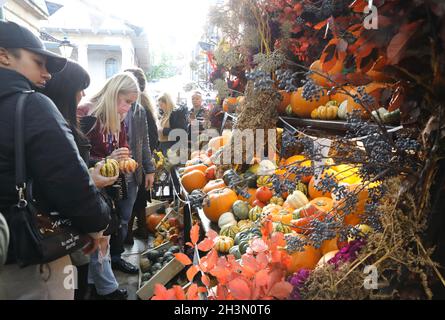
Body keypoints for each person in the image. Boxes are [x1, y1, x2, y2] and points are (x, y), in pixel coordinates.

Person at [0, 21, 110, 300]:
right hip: (29, 254)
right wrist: (97, 223)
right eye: (38, 62)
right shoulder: (31, 104)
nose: (47, 73)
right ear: (4, 55)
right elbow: (70, 181)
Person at [41, 60, 119, 300]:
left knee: (79, 283)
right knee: (71, 287)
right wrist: (91, 179)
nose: (84, 93)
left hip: (75, 228)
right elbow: (61, 181)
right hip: (61, 232)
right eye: (80, 86)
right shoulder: (52, 127)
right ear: (64, 89)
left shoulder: (64, 121)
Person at [78, 72, 140, 298]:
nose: (127, 109)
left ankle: (98, 284)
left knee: (103, 236)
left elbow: (119, 149)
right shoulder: (86, 113)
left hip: (106, 189)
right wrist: (108, 160)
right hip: (87, 189)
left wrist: (124, 160)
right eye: (126, 102)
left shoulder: (119, 119)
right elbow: (75, 159)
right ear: (114, 93)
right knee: (94, 237)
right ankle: (104, 288)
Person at [124, 68, 158, 242]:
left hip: (138, 163)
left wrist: (147, 164)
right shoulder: (140, 104)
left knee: (136, 199)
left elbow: (146, 138)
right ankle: (132, 232)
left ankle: (129, 234)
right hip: (133, 162)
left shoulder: (140, 107)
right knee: (137, 200)